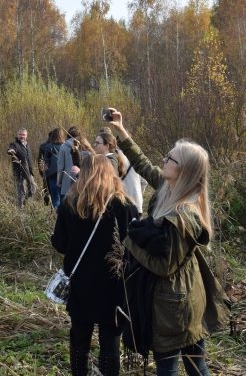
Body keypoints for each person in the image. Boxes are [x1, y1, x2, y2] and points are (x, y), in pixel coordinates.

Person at [107, 108, 229, 376]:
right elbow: (143, 165)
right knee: (196, 363)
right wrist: (121, 130)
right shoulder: (170, 189)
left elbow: (164, 267)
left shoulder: (184, 213)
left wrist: (130, 241)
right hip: (182, 296)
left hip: (174, 304)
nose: (164, 159)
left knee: (170, 368)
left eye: (170, 157)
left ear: (182, 170)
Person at [51, 154, 138, 376]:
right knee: (110, 343)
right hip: (113, 285)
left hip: (80, 285)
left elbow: (60, 244)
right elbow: (133, 250)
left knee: (80, 340)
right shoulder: (124, 206)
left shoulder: (71, 204)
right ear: (111, 173)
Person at [57, 126, 91, 205]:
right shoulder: (85, 145)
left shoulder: (63, 147)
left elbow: (60, 166)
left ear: (68, 135)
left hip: (67, 181)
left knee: (66, 207)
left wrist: (59, 181)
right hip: (82, 181)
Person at [8, 128, 36, 207]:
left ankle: (25, 201)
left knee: (33, 188)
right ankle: (20, 210)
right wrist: (11, 151)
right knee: (21, 192)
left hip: (29, 172)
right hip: (20, 172)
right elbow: (11, 149)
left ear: (26, 136)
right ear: (17, 135)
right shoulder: (14, 144)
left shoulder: (27, 145)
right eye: (20, 134)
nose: (22, 136)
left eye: (24, 135)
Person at [43, 127, 65, 209]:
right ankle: (64, 218)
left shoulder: (49, 147)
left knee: (55, 198)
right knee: (64, 198)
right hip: (64, 175)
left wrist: (45, 176)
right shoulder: (66, 147)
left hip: (52, 175)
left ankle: (56, 217)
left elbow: (46, 162)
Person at [38, 131, 54, 206]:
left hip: (46, 171)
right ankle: (52, 208)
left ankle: (47, 204)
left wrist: (41, 172)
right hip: (55, 172)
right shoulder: (59, 146)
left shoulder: (43, 146)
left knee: (46, 189)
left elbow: (40, 160)